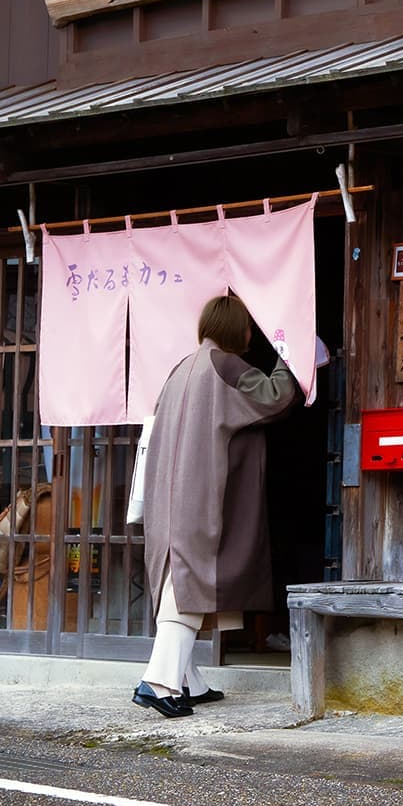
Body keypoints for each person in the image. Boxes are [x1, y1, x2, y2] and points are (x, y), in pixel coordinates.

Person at [133, 294, 298, 717]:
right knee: (188, 585)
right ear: (235, 330)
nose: (249, 333)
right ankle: (159, 682)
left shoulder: (179, 369)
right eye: (247, 326)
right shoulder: (225, 366)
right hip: (200, 493)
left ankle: (190, 681)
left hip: (169, 493)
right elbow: (274, 396)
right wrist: (290, 356)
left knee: (179, 579)